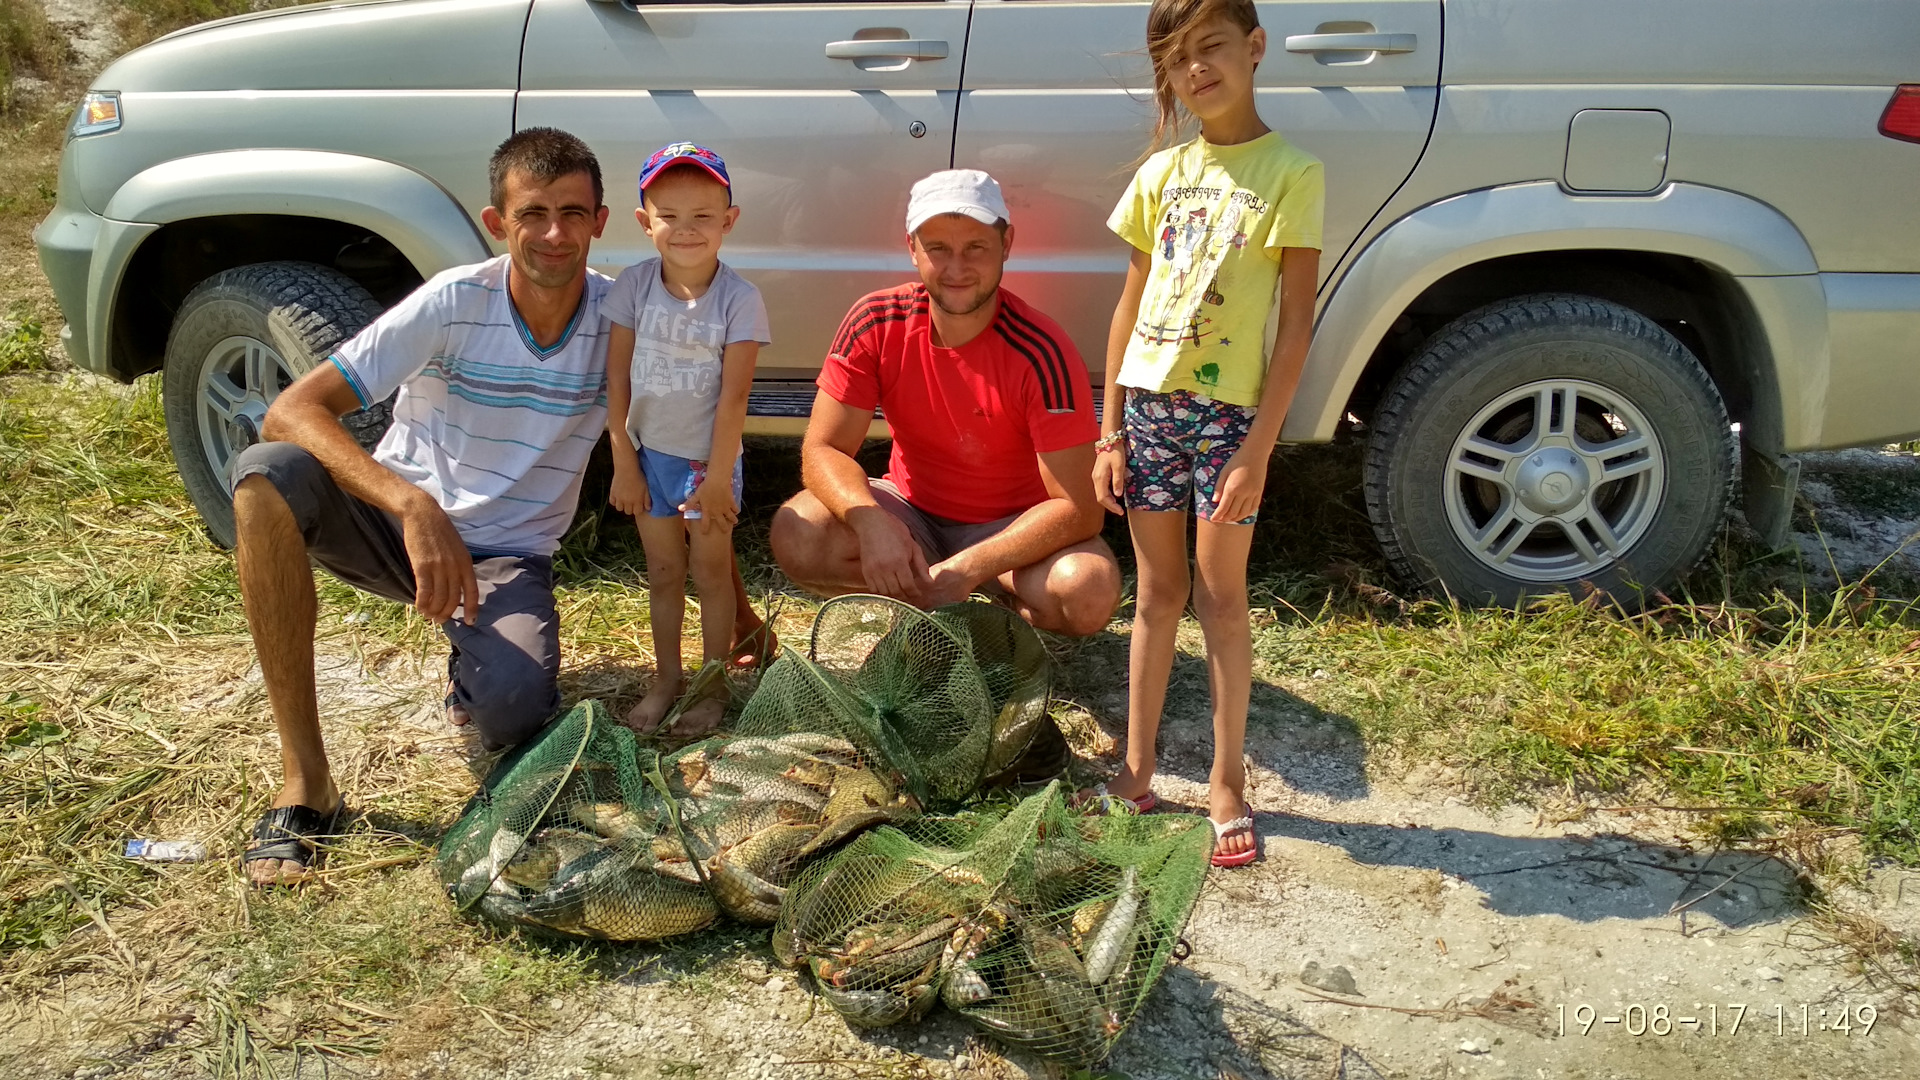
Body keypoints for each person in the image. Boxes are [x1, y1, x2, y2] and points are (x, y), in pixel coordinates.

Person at [230, 128, 616, 887]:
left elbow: (684, 458)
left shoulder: (621, 318)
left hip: (506, 553)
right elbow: (292, 411)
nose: (553, 234)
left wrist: (734, 613)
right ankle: (307, 781)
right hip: (399, 527)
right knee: (264, 475)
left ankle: (471, 658)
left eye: (573, 213)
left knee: (512, 713)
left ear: (601, 223)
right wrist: (411, 504)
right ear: (495, 222)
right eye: (531, 213)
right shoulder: (452, 301)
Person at [1089, 0, 1324, 868]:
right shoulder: (1160, 175)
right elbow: (1129, 307)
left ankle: (1227, 783)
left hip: (1230, 422)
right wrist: (1108, 429)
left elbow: (1295, 327)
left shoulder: (1295, 172)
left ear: (1255, 49)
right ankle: (1137, 768)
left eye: (1212, 48)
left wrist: (1259, 448)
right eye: (1178, 59)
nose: (1196, 71)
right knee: (1156, 594)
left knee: (1223, 597)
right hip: (1148, 411)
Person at [770, 170, 1120, 637]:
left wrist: (969, 567)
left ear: (1007, 243)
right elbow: (823, 450)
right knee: (798, 533)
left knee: (1086, 591)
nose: (957, 267)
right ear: (912, 247)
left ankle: (982, 610)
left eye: (976, 246)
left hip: (1012, 529)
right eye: (938, 248)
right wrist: (871, 522)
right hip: (911, 510)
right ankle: (923, 604)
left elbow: (1079, 508)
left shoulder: (1044, 352)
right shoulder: (873, 320)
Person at [603, 142, 772, 737]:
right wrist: (623, 459)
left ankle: (711, 684)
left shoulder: (740, 301)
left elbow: (734, 401)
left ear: (729, 222)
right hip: (648, 457)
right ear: (644, 222)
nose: (686, 229)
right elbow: (616, 381)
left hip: (708, 463)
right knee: (664, 572)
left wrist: (721, 477)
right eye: (669, 216)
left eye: (703, 216)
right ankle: (667, 676)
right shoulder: (633, 287)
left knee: (711, 571)